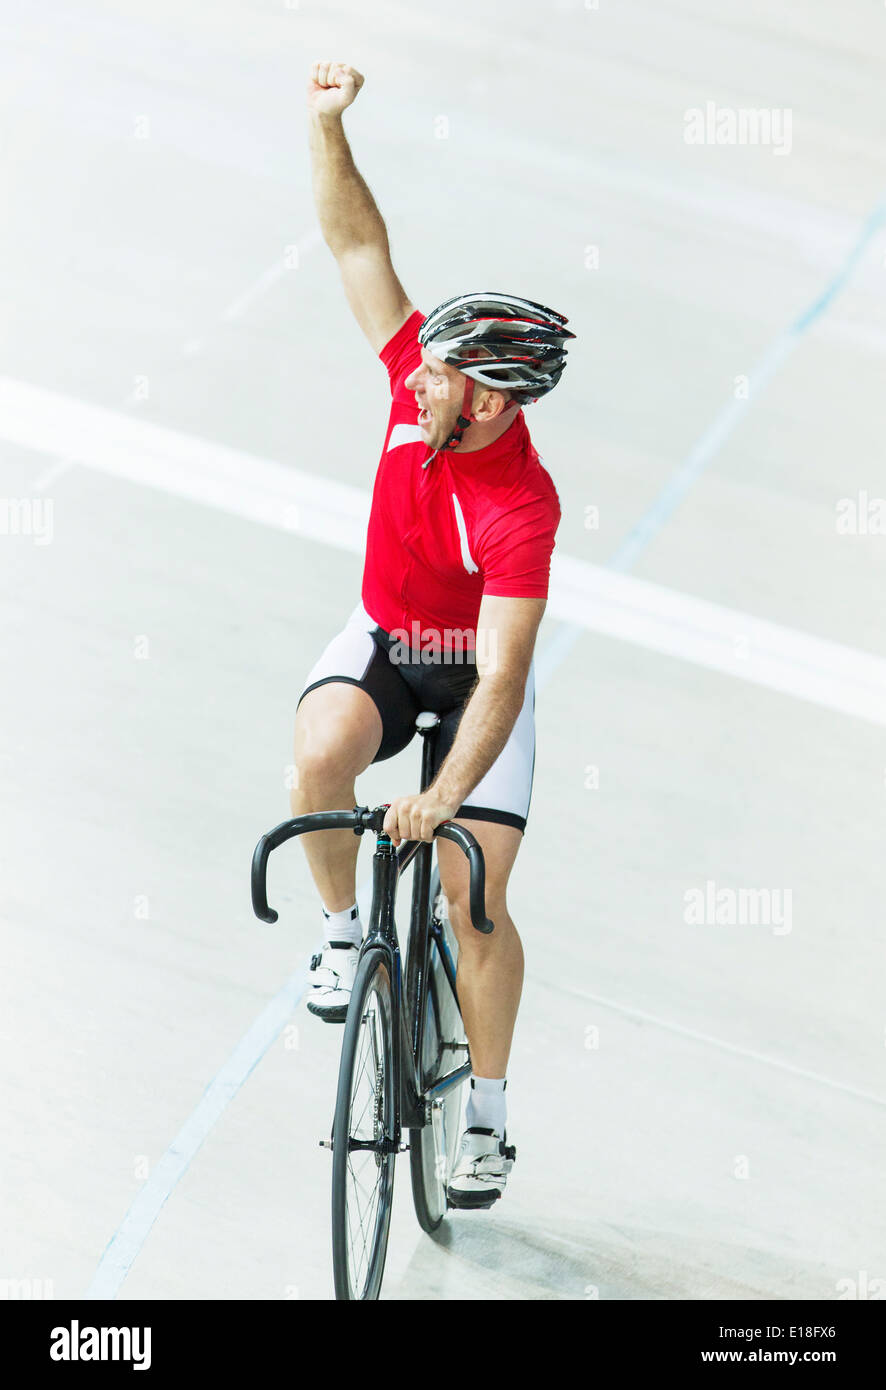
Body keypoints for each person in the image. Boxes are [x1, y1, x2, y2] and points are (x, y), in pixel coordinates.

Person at [295, 60, 574, 1209]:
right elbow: (359, 247)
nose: (421, 381)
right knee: (319, 755)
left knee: (474, 900)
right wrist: (327, 129)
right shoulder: (417, 385)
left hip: (472, 688)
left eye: (446, 376)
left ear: (494, 403)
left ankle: (490, 1116)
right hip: (385, 635)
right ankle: (343, 929)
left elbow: (502, 675)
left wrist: (444, 796)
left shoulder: (521, 509)